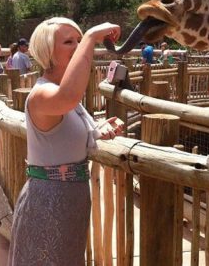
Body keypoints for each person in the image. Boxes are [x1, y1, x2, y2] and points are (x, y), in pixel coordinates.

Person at [8, 17, 125, 265]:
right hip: (48, 202)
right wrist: (92, 36)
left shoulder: (66, 100)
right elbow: (67, 97)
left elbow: (64, 134)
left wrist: (97, 129)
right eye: (69, 42)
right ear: (47, 51)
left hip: (71, 200)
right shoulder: (42, 94)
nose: (78, 46)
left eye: (79, 40)